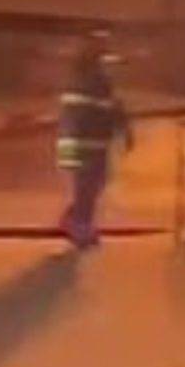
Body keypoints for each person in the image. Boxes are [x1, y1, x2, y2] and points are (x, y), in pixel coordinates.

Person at [56, 31, 131, 249]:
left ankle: (75, 220)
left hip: (89, 141)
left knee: (91, 185)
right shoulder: (87, 80)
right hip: (87, 142)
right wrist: (122, 130)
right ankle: (80, 226)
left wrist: (122, 129)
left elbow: (111, 108)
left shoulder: (93, 79)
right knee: (88, 186)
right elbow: (101, 110)